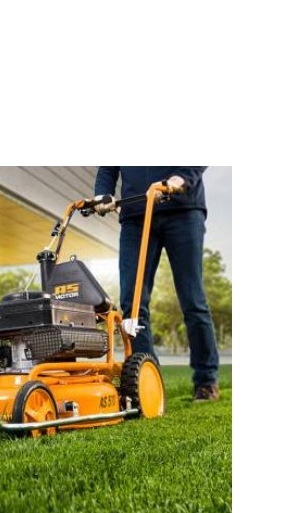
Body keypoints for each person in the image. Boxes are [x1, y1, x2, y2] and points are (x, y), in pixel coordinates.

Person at [93, 166, 220, 401]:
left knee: (192, 299)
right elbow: (108, 168)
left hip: (181, 209)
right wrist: (102, 194)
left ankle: (206, 381)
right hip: (135, 215)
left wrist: (179, 180)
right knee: (132, 304)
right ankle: (147, 383)